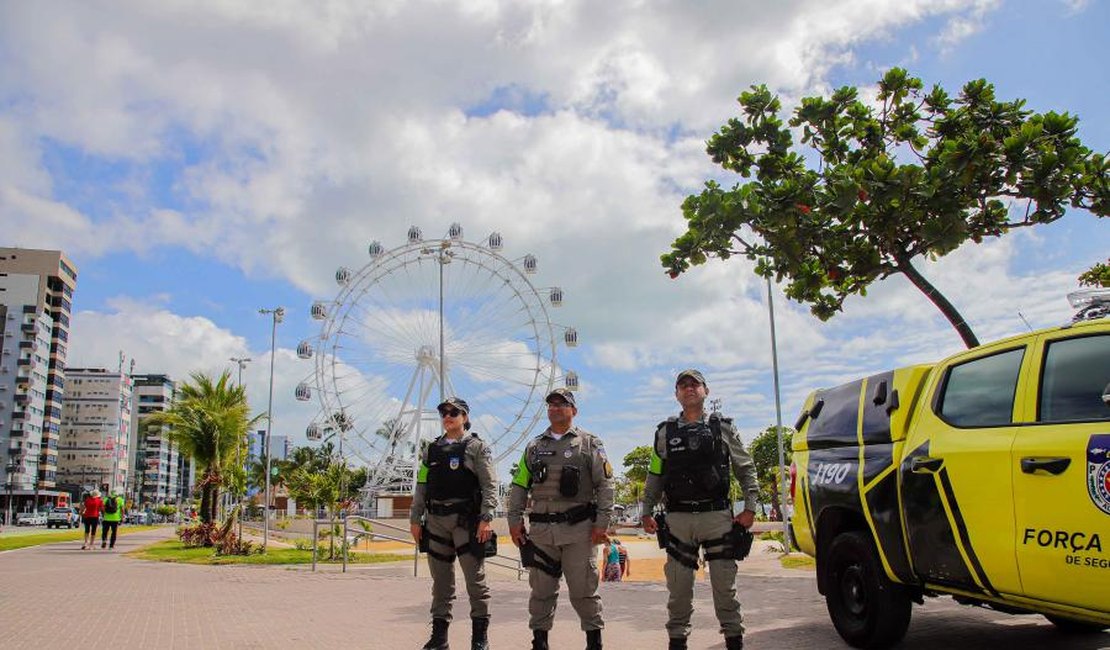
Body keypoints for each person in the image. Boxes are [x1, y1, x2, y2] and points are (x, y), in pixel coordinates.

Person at [641, 369, 760, 650]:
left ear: (705, 391)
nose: (689, 388)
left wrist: (751, 507)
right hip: (678, 520)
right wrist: (646, 510)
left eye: (695, 384)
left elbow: (745, 468)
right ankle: (677, 641)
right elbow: (655, 475)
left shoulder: (723, 427)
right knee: (679, 591)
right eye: (683, 385)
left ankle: (734, 640)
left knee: (725, 589)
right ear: (676, 394)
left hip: (717, 518)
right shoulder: (664, 433)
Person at [508, 388, 614, 650]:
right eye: (551, 404)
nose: (555, 408)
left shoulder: (589, 443)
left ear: (573, 411)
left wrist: (602, 523)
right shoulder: (534, 446)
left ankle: (594, 642)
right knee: (541, 591)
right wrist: (514, 520)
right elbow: (520, 485)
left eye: (562, 404)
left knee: (583, 591)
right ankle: (539, 642)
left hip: (579, 531)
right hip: (542, 532)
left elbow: (605, 485)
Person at [410, 397, 498, 650]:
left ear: (465, 417)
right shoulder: (431, 450)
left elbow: (489, 484)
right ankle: (439, 638)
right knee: (441, 582)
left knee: (475, 581)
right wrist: (415, 519)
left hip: (467, 522)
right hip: (436, 522)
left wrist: (486, 517)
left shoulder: (477, 447)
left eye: (454, 412)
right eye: (444, 412)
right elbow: (422, 486)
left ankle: (479, 638)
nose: (448, 416)